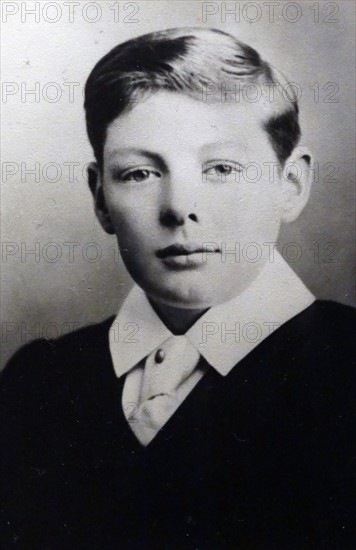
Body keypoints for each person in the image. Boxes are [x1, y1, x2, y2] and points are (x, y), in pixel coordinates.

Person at [1, 27, 355, 549]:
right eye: (140, 173)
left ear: (291, 184)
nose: (178, 207)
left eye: (222, 168)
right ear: (101, 198)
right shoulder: (39, 382)